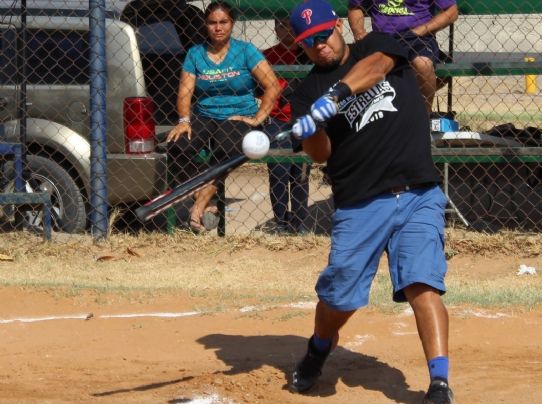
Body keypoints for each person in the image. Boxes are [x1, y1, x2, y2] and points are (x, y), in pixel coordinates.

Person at [287, 0, 453, 402]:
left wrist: (338, 94)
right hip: (361, 202)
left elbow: (379, 66)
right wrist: (311, 126)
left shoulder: (376, 44)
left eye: (324, 35)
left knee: (422, 281)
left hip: (417, 190)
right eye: (309, 43)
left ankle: (439, 383)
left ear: (339, 27)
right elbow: (321, 154)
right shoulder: (306, 91)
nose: (320, 47)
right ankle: (318, 349)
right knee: (339, 295)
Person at [166, 1, 280, 232]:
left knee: (227, 146)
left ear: (232, 24)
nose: (218, 27)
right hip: (205, 114)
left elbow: (273, 86)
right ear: (206, 25)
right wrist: (184, 121)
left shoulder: (246, 51)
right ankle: (207, 199)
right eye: (212, 23)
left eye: (223, 22)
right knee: (177, 146)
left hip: (239, 115)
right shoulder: (195, 53)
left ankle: (198, 208)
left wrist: (258, 118)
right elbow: (185, 93)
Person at [347, 0, 458, 112]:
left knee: (423, 65)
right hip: (382, 37)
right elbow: (355, 7)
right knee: (361, 66)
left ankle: (424, 117)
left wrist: (421, 30)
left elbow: (451, 11)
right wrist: (359, 33)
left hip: (418, 37)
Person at [263, 17, 312, 234]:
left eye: (290, 26)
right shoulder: (266, 56)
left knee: (300, 172)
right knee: (278, 170)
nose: (286, 30)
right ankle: (281, 221)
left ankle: (298, 222)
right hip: (277, 119)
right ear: (275, 28)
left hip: (303, 119)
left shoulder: (308, 51)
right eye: (281, 25)